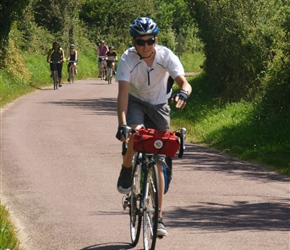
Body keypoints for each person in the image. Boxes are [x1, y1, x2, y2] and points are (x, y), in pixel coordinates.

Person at [115, 17, 192, 237]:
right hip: (135, 102)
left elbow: (183, 82)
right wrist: (122, 125)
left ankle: (158, 218)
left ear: (155, 39)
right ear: (134, 42)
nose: (146, 46)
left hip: (159, 105)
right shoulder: (127, 59)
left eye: (150, 40)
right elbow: (122, 96)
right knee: (136, 135)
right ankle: (127, 168)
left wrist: (183, 93)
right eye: (140, 41)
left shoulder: (166, 55)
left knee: (159, 157)